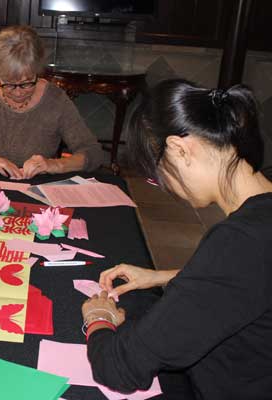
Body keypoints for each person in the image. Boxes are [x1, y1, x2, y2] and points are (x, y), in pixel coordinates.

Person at [81, 79, 272, 399]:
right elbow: (251, 283)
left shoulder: (240, 242)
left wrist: (98, 319)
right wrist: (170, 276)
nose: (166, 188)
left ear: (180, 149)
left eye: (158, 177)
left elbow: (119, 366)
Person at [0, 25, 103, 180]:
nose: (18, 92)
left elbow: (93, 153)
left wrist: (55, 164)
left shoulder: (56, 100)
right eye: (8, 83)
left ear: (37, 71)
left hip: (37, 187)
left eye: (26, 83)